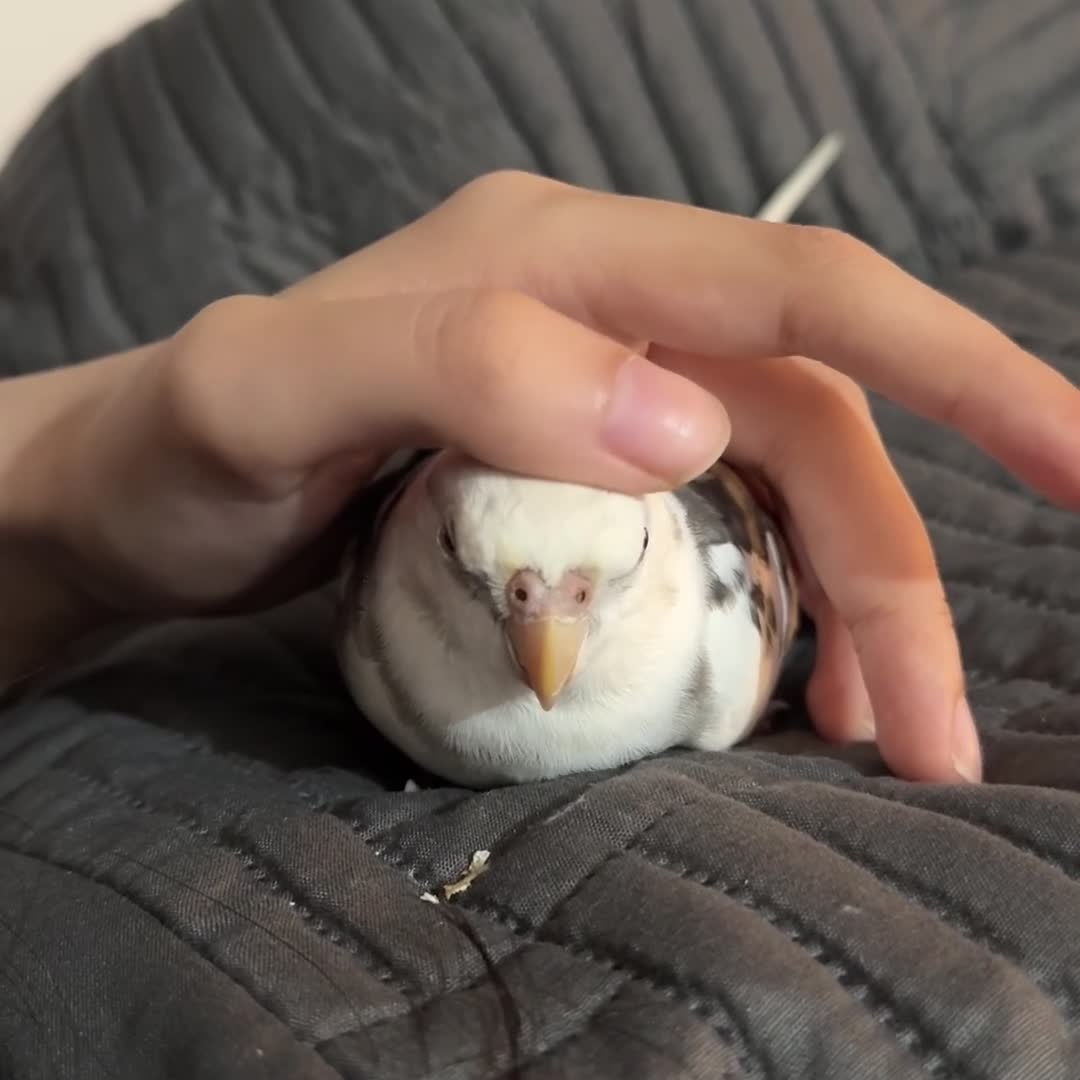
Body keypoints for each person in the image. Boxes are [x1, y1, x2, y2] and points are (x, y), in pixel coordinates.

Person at [3, 171, 1078, 786]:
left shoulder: (712, 656)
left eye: (586, 586)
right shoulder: (377, 600)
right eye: (496, 579)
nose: (545, 646)